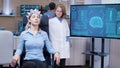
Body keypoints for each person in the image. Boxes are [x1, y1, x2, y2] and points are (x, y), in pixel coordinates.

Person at [49, 4, 70, 68]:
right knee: (56, 65)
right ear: (55, 11)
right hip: (55, 47)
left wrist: (67, 43)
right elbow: (50, 35)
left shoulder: (65, 22)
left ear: (63, 12)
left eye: (60, 11)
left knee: (62, 65)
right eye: (57, 11)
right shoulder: (51, 21)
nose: (59, 13)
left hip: (64, 47)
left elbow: (67, 34)